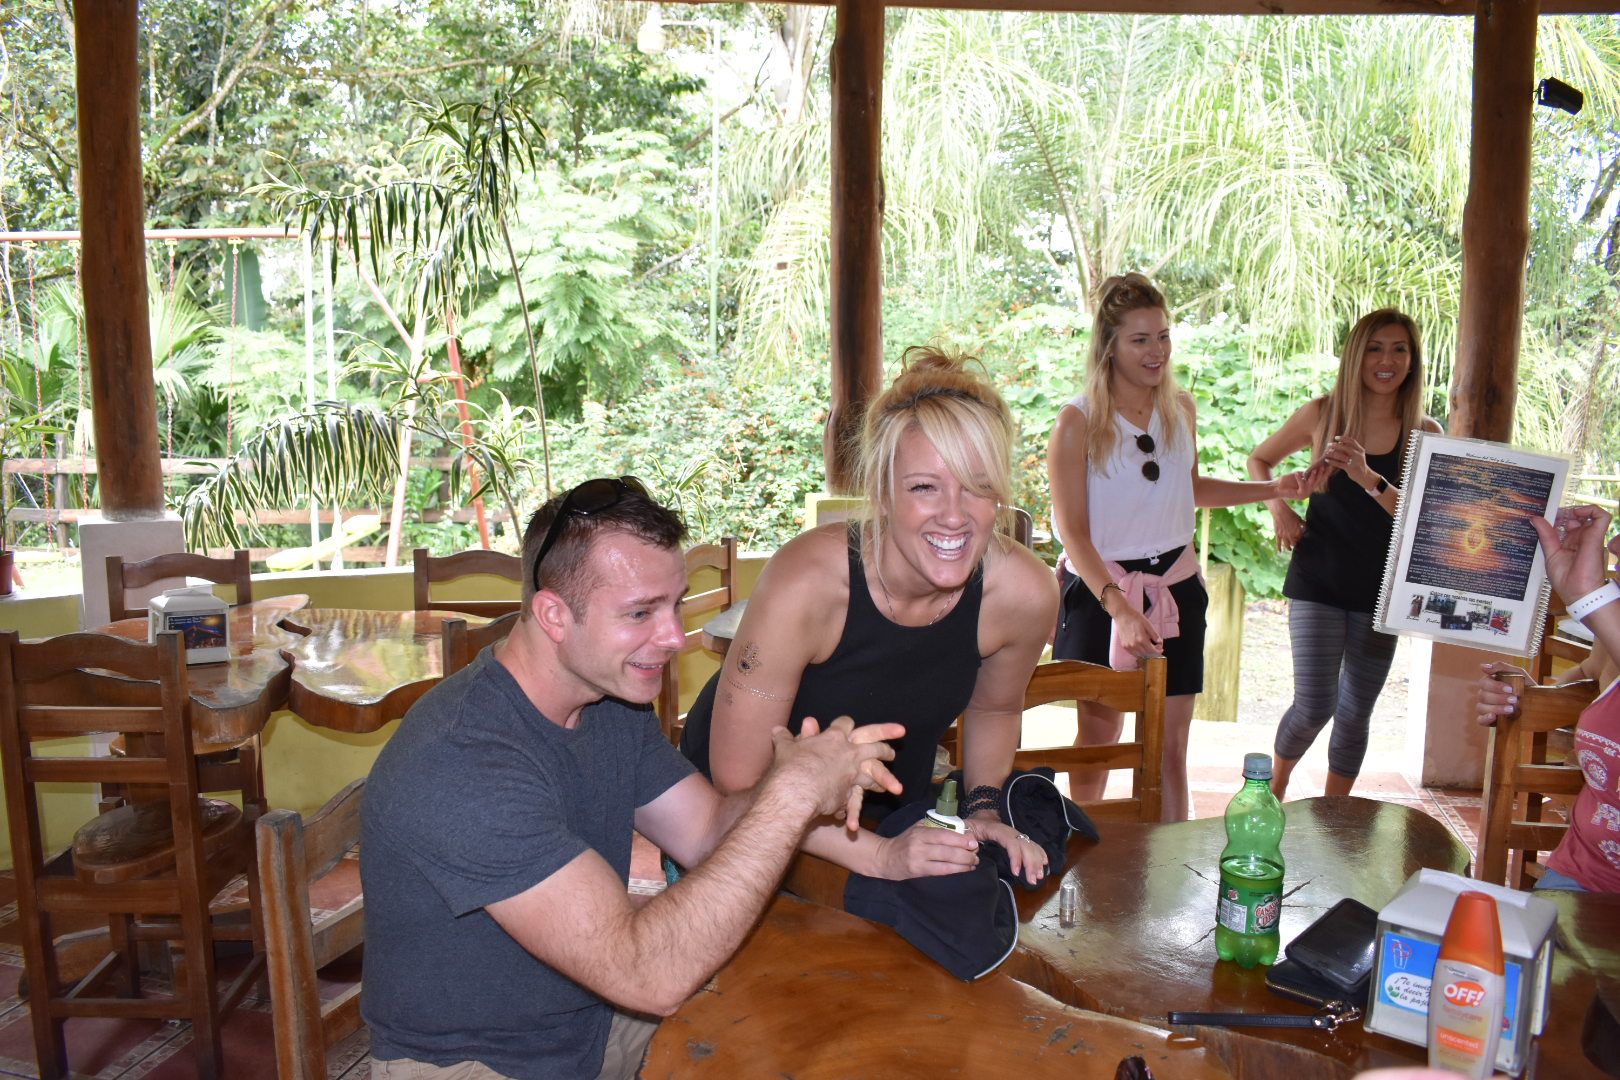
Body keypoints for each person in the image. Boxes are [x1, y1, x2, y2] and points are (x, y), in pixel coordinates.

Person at [361, 477, 906, 1079]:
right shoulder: (465, 760)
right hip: (477, 1062)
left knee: (821, 1027)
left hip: (587, 1024)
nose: (674, 637)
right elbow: (650, 977)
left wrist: (792, 779)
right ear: (554, 615)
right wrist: (792, 796)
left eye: (675, 605)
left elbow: (705, 831)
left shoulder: (609, 701)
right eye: (641, 612)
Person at [680, 347, 1059, 885]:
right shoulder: (807, 582)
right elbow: (737, 782)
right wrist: (880, 857)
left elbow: (994, 709)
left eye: (977, 487)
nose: (954, 515)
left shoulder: (1022, 594)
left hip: (886, 813)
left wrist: (983, 811)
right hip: (737, 813)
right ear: (881, 494)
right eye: (924, 487)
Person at [1046, 272, 1310, 822]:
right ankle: (1078, 850)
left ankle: (1169, 856)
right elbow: (1073, 530)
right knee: (1099, 737)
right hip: (1100, 590)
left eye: (1163, 336)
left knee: (1170, 744)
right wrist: (1119, 607)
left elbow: (1189, 490)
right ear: (1109, 346)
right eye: (1140, 339)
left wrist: (1274, 489)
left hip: (1175, 587)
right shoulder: (1077, 421)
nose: (1157, 351)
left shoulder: (1181, 409)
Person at [1247, 308, 1443, 798]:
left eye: (1399, 350)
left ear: (1413, 360)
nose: (1386, 361)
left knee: (1356, 712)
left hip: (1382, 590)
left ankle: (1335, 816)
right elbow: (1260, 459)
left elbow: (1425, 519)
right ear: (1356, 356)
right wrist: (1280, 510)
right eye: (1375, 349)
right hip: (1319, 577)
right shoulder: (1322, 414)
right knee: (1315, 704)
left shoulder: (1426, 433)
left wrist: (1366, 476)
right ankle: (1272, 792)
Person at [1474, 502, 1620, 893]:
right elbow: (1588, 677)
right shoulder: (1610, 645)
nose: (1615, 545)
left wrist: (1589, 597)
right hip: (1584, 873)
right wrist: (1529, 699)